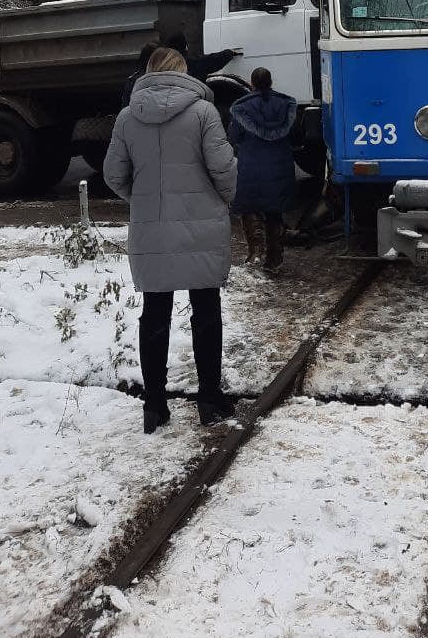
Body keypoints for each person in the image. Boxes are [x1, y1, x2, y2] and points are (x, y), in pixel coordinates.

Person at [103, 45, 239, 432]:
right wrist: (222, 198)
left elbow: (113, 175)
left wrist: (143, 200)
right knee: (207, 313)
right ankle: (210, 401)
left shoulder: (128, 118)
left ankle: (155, 406)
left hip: (152, 228)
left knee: (155, 314)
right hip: (202, 227)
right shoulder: (203, 112)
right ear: (183, 71)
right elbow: (223, 167)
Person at [228, 67, 297, 272]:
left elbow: (234, 136)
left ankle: (255, 251)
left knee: (250, 209)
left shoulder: (242, 108)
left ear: (252, 83)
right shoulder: (286, 105)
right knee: (274, 212)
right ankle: (274, 259)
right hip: (280, 165)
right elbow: (296, 136)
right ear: (271, 82)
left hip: (251, 166)